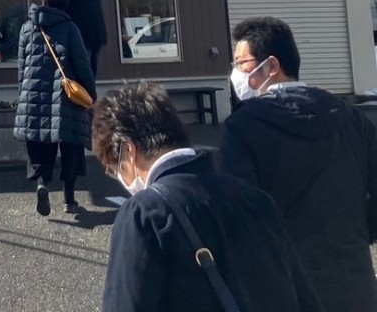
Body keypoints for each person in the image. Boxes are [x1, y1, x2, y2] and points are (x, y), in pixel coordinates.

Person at [94, 82, 321, 312]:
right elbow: (305, 299)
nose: (121, 177)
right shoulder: (258, 199)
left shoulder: (144, 214)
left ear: (129, 151)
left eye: (116, 168)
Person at [219, 16, 377, 312]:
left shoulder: (243, 129)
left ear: (272, 66)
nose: (235, 74)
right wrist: (357, 234)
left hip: (282, 288)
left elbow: (238, 217)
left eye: (241, 64)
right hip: (354, 284)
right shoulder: (351, 118)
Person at [13, 0, 95, 215]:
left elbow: (22, 67)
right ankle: (69, 198)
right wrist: (90, 93)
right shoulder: (69, 28)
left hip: (33, 95)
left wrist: (23, 94)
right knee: (71, 147)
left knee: (39, 145)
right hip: (66, 96)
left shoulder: (27, 28)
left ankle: (42, 184)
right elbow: (82, 65)